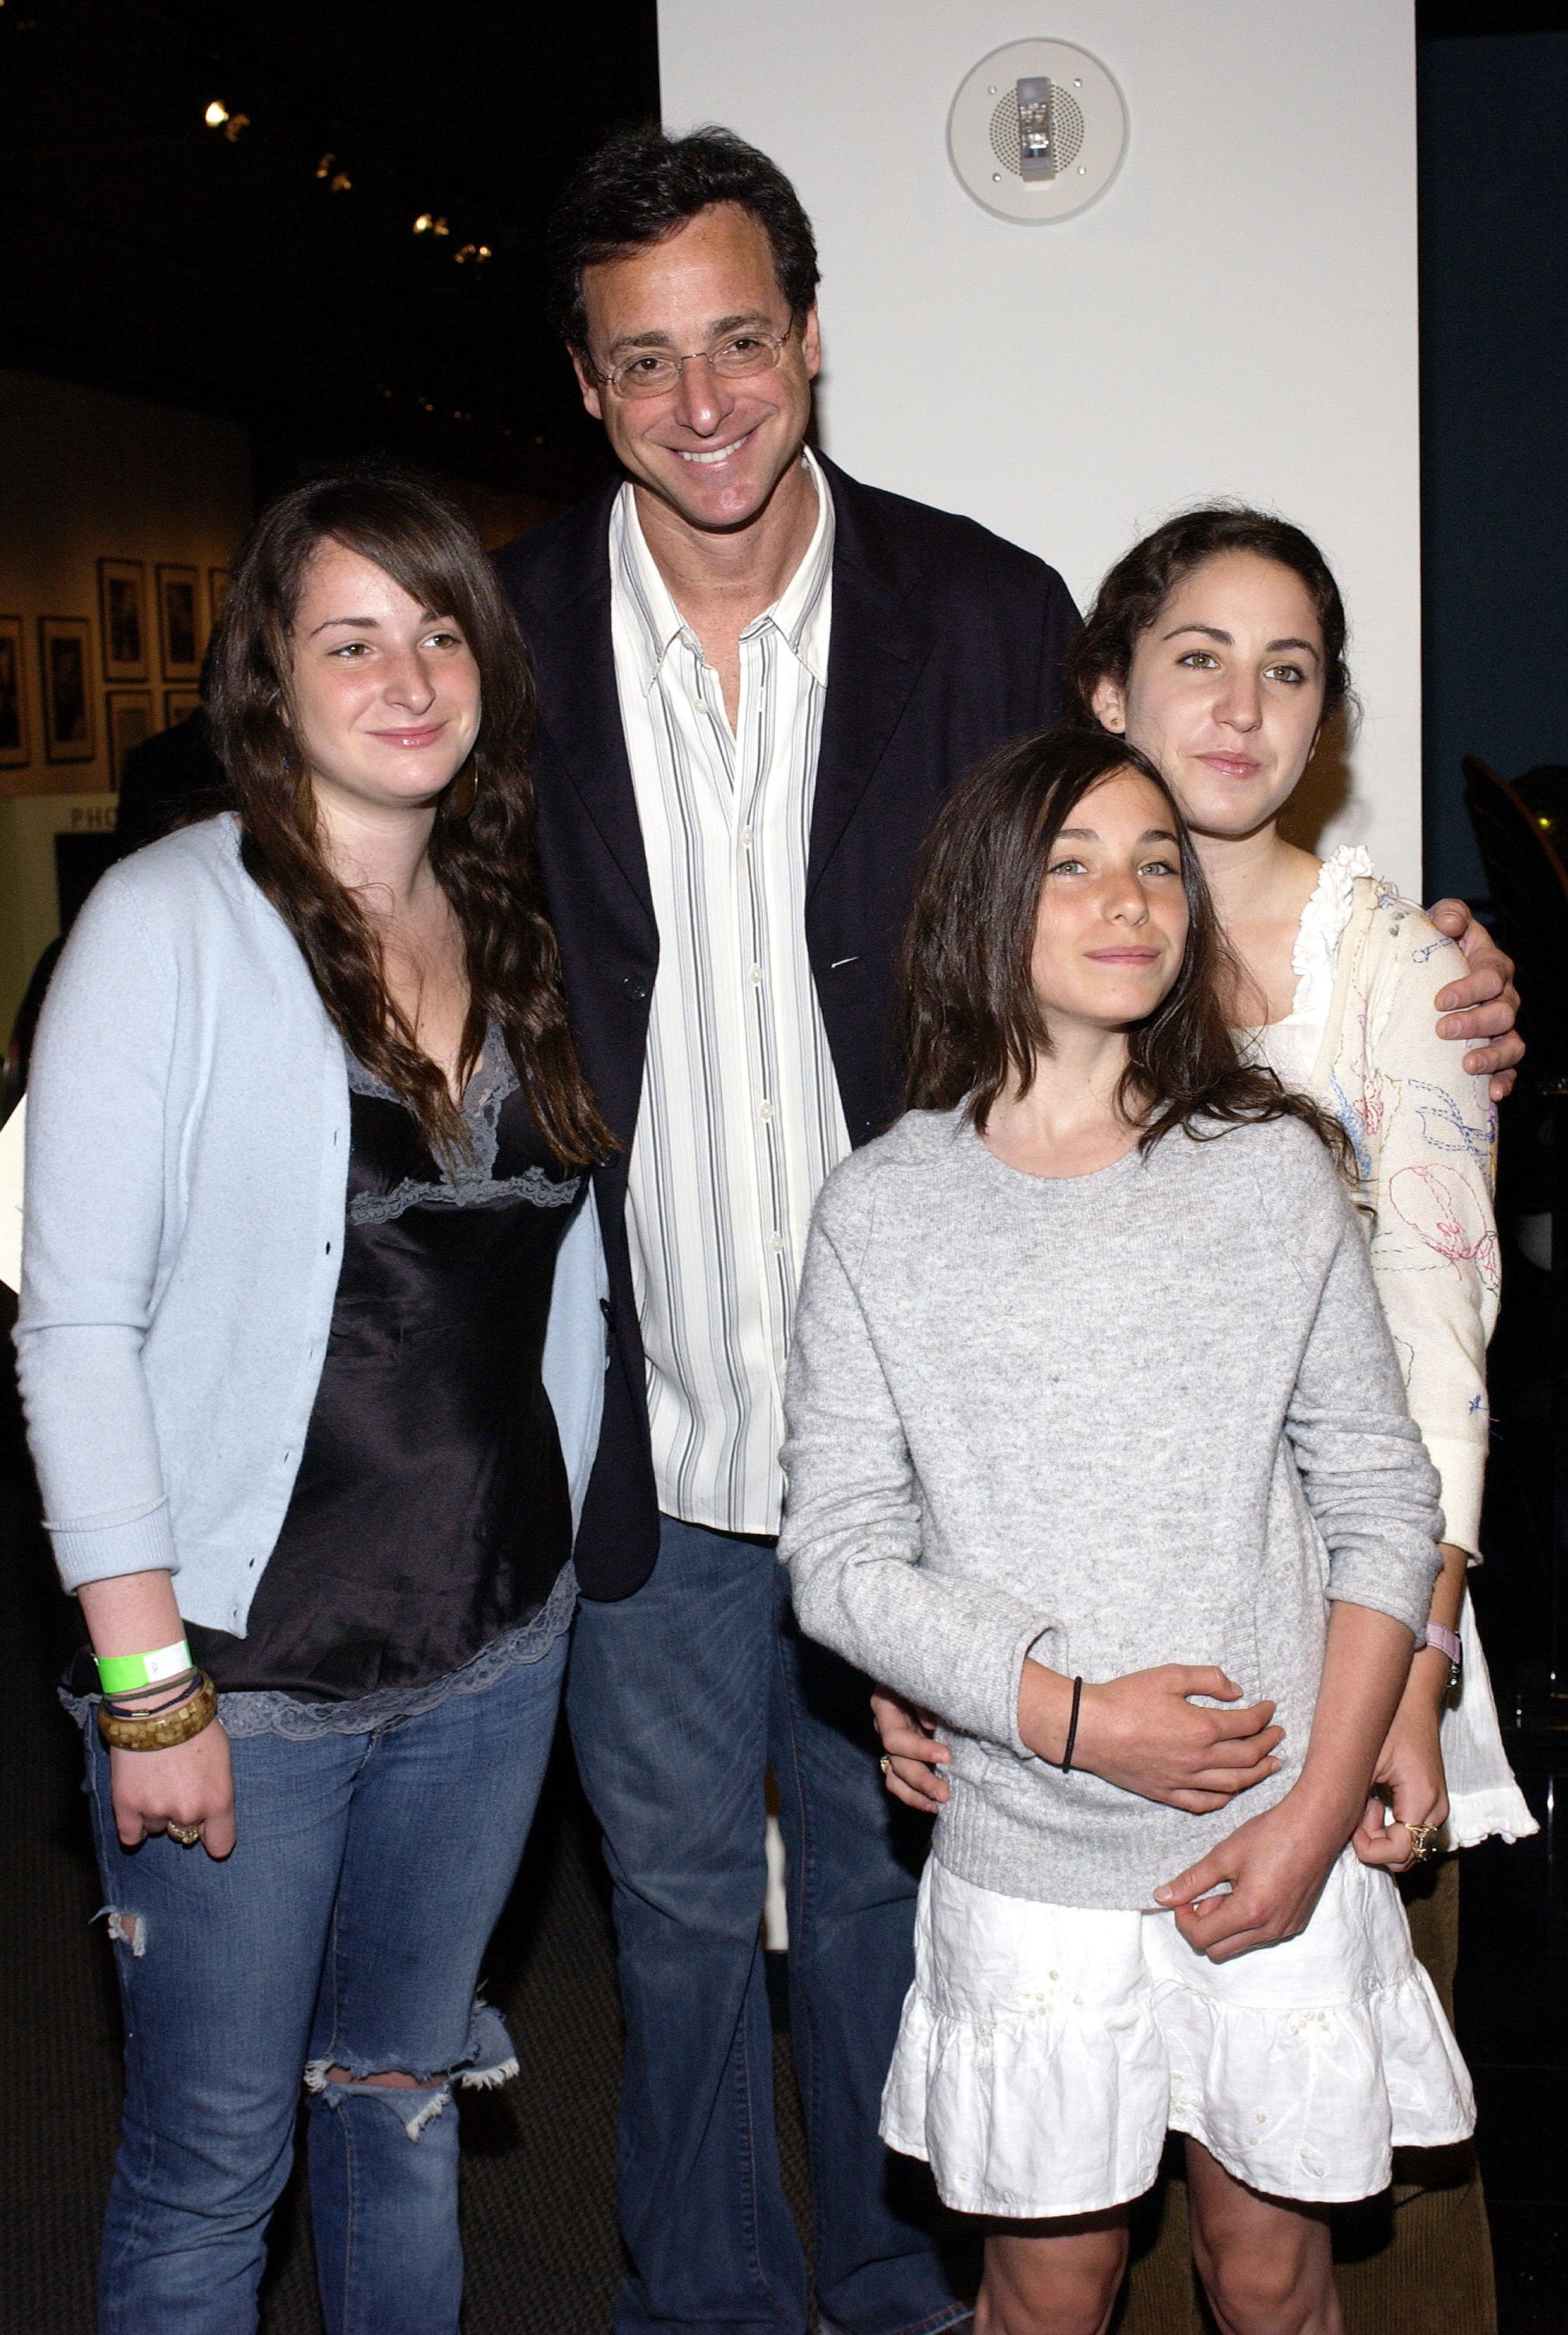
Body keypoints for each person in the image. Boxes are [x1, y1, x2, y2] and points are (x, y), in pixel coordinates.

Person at [493, 126, 1522, 2335]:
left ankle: (897, 2308)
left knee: (896, 1945)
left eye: (743, 340)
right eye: (644, 361)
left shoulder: (979, 612)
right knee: (676, 1934)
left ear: (814, 341)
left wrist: (1401, 989)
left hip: (971, 1479)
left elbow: (1130, 880)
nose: (704, 403)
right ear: (586, 386)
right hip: (655, 1444)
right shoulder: (508, 631)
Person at [875, 508, 1532, 2329]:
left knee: (1320, 2199)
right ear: (1105, 687)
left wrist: (1411, 1669)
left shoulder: (1405, 974)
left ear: (1326, 720)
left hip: (1338, 1645)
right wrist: (928, 1659)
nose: (1244, 707)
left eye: (1292, 671)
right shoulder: (1028, 970)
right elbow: (942, 1379)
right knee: (1066, 2225)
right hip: (1057, 1705)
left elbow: (1437, 1331)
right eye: (1198, 659)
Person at [14, 466, 614, 2335]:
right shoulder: (164, 924)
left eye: (442, 632)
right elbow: (72, 1328)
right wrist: (147, 1689)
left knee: (404, 2111)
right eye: (352, 637)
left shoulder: (519, 927)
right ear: (271, 679)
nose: (409, 673)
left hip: (496, 1651)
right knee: (210, 2168)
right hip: (238, 1688)